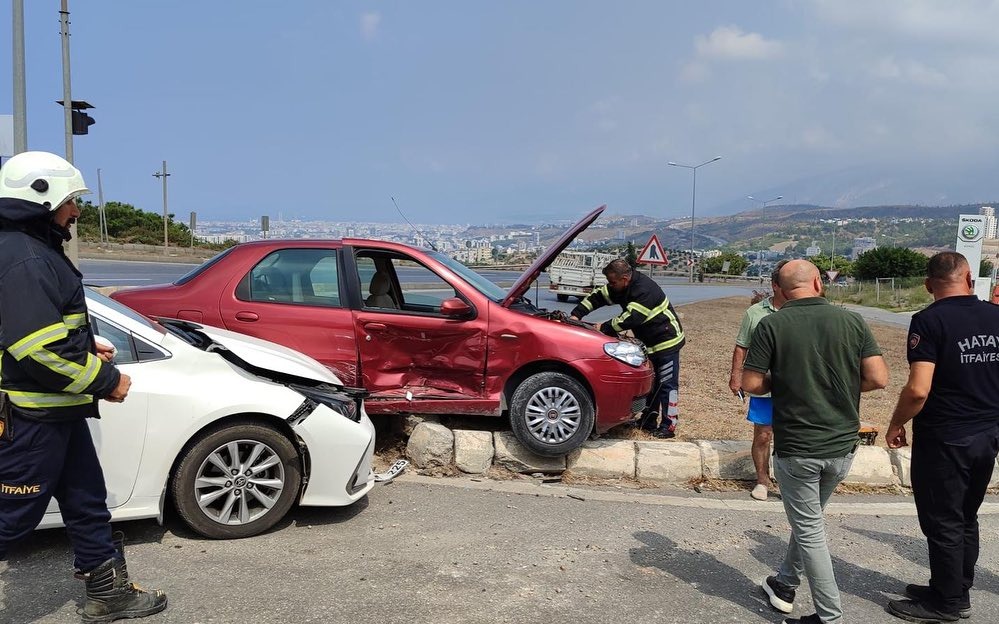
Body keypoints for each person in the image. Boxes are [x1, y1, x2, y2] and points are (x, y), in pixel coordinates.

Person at [0, 152, 167, 622]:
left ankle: (107, 594)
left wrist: (85, 343)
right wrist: (107, 380)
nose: (75, 210)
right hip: (32, 419)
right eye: (71, 200)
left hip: (57, 413)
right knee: (11, 521)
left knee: (86, 502)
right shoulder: (26, 257)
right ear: (42, 197)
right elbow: (38, 353)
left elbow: (34, 330)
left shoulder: (29, 249)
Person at [741, 260, 888, 624]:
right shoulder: (852, 320)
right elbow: (879, 378)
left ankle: (829, 616)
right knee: (809, 521)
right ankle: (785, 582)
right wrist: (838, 387)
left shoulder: (772, 324)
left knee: (810, 529)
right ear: (819, 283)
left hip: (798, 447)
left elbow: (752, 384)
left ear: (780, 289)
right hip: (841, 446)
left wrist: (790, 384)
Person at [883, 252, 999, 623]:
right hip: (987, 433)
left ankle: (946, 604)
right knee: (966, 515)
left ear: (928, 284)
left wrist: (896, 423)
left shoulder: (928, 320)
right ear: (969, 277)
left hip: (947, 436)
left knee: (942, 519)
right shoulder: (996, 316)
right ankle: (953, 587)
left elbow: (918, 389)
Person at [570, 259, 685, 438]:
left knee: (667, 385)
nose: (610, 285)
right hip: (648, 344)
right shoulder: (620, 287)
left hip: (667, 342)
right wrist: (576, 315)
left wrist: (604, 328)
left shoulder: (644, 290)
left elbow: (630, 319)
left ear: (625, 278)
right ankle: (647, 421)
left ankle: (669, 426)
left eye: (613, 282)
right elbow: (598, 296)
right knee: (650, 385)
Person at [728, 260, 787, 501]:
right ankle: (762, 480)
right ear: (775, 285)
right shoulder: (755, 313)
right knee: (763, 434)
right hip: (764, 382)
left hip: (795, 385)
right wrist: (736, 376)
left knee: (789, 435)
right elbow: (741, 346)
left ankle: (787, 482)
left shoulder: (803, 310)